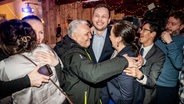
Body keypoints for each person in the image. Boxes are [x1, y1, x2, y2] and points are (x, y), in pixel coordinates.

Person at [53, 20, 139, 104]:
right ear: (75, 36)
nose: (90, 36)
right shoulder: (74, 54)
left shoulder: (76, 46)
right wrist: (124, 61)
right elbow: (92, 73)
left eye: (90, 33)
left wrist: (141, 58)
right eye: (87, 34)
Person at [0, 19, 66, 104]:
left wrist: (56, 64)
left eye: (41, 32)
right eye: (33, 32)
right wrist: (27, 81)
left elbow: (63, 81)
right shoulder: (5, 62)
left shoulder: (45, 49)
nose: (38, 37)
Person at [124, 21, 165, 104]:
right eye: (141, 29)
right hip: (127, 94)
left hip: (144, 98)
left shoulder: (159, 55)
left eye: (145, 30)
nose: (140, 32)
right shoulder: (134, 46)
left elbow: (152, 82)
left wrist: (139, 75)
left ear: (153, 34)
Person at [104, 20, 145, 104]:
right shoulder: (121, 50)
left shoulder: (127, 61)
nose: (109, 37)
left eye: (111, 34)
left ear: (118, 39)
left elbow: (126, 99)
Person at [155, 11, 184, 104]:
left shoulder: (181, 41)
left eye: (173, 24)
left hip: (167, 87)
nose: (169, 26)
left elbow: (179, 64)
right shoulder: (159, 40)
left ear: (181, 27)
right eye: (168, 23)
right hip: (152, 83)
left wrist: (170, 42)